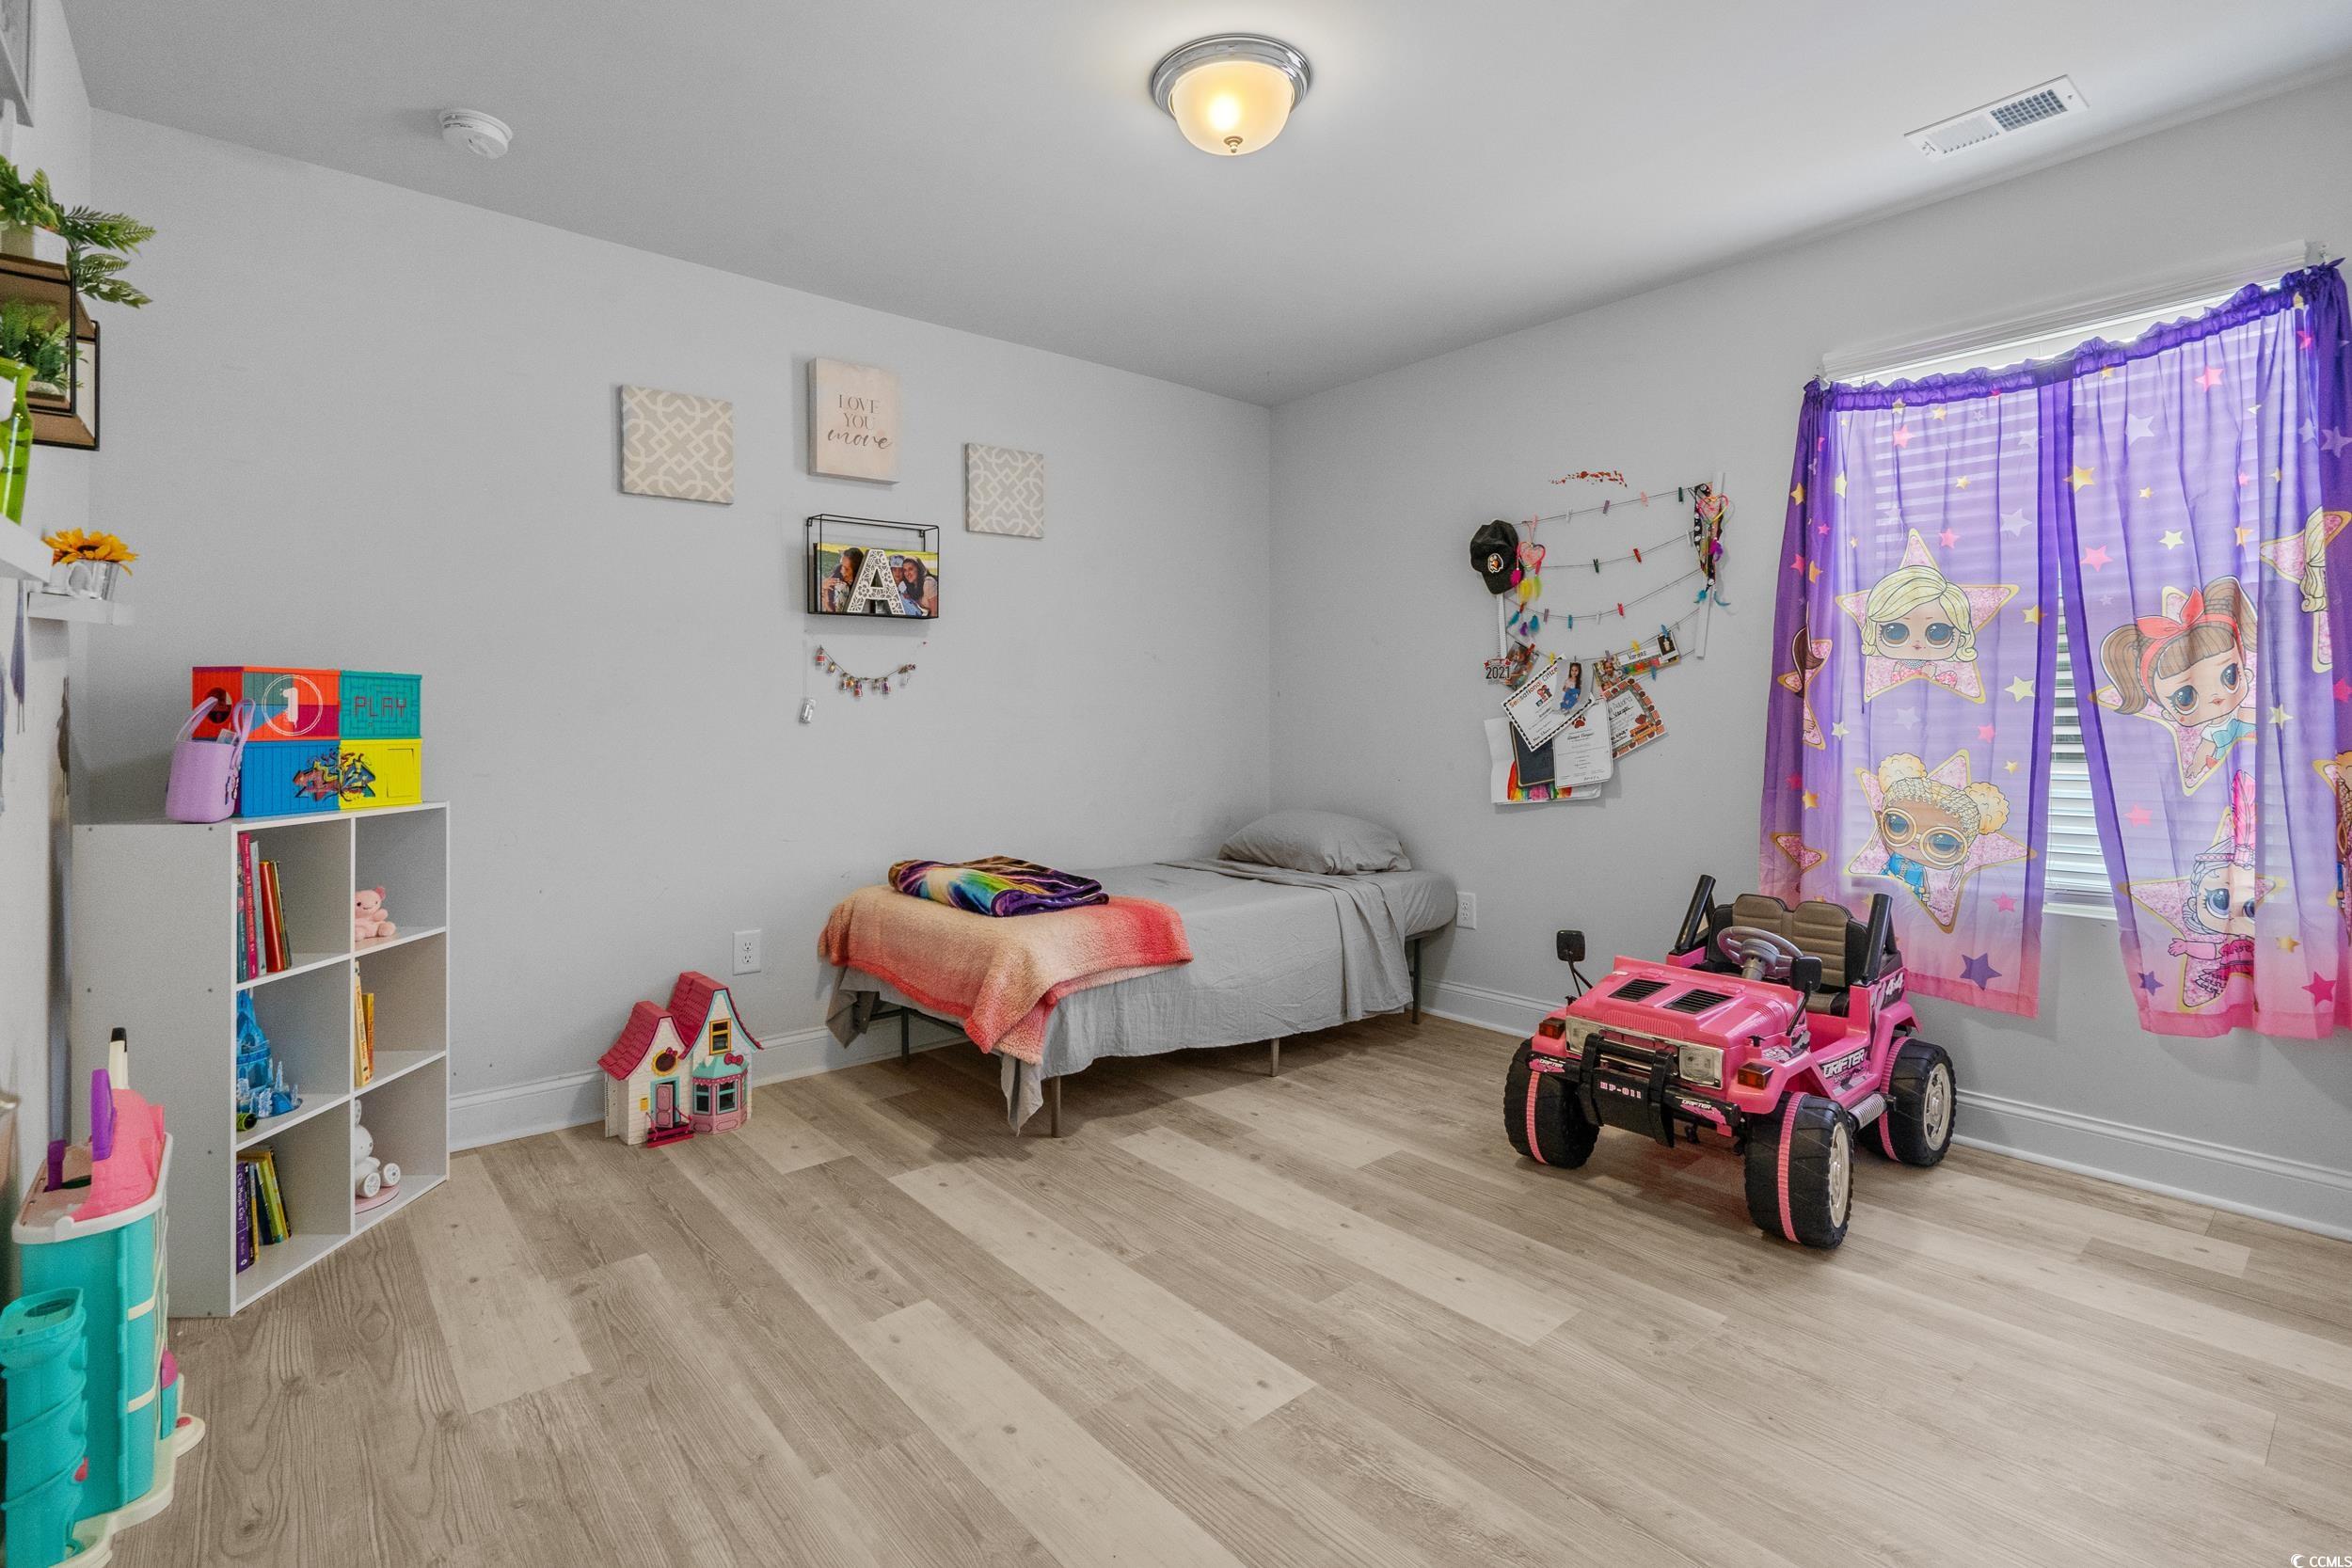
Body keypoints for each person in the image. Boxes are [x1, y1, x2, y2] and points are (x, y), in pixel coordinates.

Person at [820, 547, 865, 613]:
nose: (842, 571)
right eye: (842, 566)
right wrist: (822, 585)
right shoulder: (838, 571)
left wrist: (827, 605)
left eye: (846, 569)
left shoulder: (860, 588)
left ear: (856, 571)